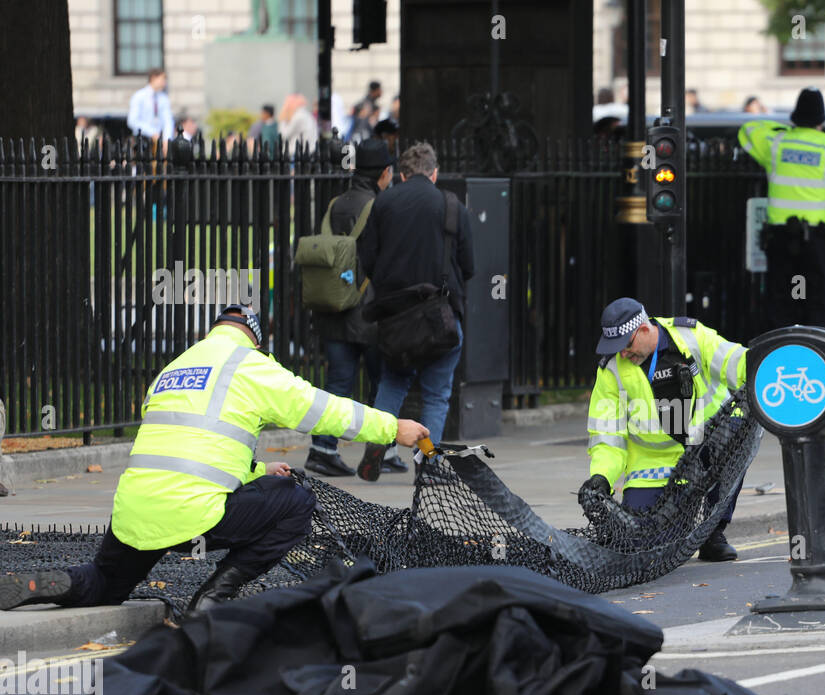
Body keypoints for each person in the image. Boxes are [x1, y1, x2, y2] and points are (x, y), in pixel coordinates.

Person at [0, 306, 429, 615]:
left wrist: (259, 471)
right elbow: (324, 410)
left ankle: (52, 582)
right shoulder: (251, 365)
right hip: (196, 517)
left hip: (136, 512)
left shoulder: (172, 369)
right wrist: (392, 428)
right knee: (296, 502)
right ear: (256, 340)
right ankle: (211, 601)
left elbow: (195, 446)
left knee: (105, 584)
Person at [581, 298, 746, 562]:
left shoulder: (691, 337)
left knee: (736, 435)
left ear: (644, 330)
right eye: (617, 347)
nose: (623, 353)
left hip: (702, 449)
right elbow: (607, 436)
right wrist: (601, 477)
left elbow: (737, 362)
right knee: (643, 548)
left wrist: (772, 366)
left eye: (626, 344)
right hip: (651, 466)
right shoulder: (611, 370)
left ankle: (714, 533)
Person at [355, 143, 474, 481]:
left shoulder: (384, 204)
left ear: (402, 174)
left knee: (393, 382)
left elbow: (367, 259)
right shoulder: (452, 206)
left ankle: (377, 444)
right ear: (434, 173)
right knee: (436, 395)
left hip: (396, 319)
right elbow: (468, 265)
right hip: (441, 317)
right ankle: (428, 463)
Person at [303, 139, 398, 478]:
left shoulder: (335, 204)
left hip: (332, 306)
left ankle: (322, 449)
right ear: (384, 173)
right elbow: (383, 258)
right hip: (367, 310)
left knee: (337, 384)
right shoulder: (380, 205)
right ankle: (383, 450)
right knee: (381, 382)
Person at [739, 88, 825, 332]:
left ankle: (782, 360)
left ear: (795, 117)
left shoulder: (777, 144)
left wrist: (785, 131)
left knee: (783, 306)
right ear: (822, 120)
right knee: (820, 309)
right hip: (817, 247)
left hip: (782, 244)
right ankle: (817, 363)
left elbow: (748, 131)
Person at [126, 68, 174, 147]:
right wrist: (152, 133)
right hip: (142, 139)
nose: (164, 83)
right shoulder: (139, 96)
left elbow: (168, 120)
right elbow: (132, 121)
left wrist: (167, 139)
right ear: (153, 78)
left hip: (159, 141)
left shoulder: (164, 98)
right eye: (162, 79)